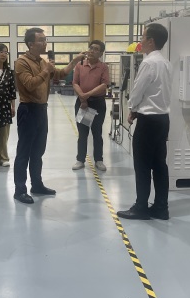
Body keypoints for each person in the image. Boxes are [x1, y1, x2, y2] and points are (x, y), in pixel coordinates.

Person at [13, 27, 86, 204]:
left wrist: (75, 61)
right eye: (41, 40)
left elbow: (61, 74)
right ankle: (19, 190)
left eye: (45, 39)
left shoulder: (42, 62)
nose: (45, 43)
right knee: (24, 152)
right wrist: (46, 70)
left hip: (41, 110)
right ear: (31, 44)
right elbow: (30, 84)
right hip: (28, 110)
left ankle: (37, 185)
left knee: (38, 151)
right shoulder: (21, 62)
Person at [117, 23, 171, 220]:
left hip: (148, 121)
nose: (140, 41)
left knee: (142, 165)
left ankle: (141, 207)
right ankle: (161, 208)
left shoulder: (148, 63)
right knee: (159, 165)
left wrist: (132, 109)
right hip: (163, 119)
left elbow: (138, 90)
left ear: (151, 41)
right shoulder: (166, 62)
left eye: (142, 37)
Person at [71, 39, 110, 172]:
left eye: (96, 49)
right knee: (83, 133)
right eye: (91, 48)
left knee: (97, 132)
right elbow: (75, 83)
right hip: (83, 104)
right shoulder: (80, 65)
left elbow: (104, 85)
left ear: (101, 53)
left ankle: (99, 160)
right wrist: (83, 97)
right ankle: (80, 160)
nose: (92, 51)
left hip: (97, 103)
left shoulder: (103, 67)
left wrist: (86, 95)